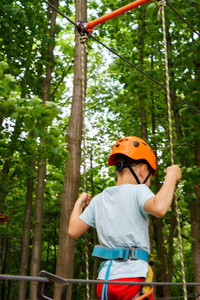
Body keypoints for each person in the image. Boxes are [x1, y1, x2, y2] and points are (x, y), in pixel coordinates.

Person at [68, 136, 182, 300]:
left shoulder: (99, 199)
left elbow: (73, 230)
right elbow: (159, 207)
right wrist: (171, 177)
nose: (148, 182)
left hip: (105, 281)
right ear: (143, 170)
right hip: (131, 280)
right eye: (150, 176)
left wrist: (79, 202)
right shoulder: (138, 191)